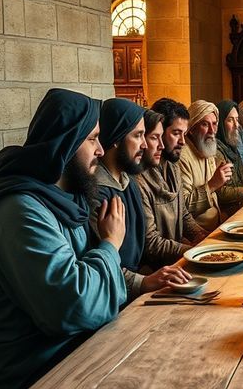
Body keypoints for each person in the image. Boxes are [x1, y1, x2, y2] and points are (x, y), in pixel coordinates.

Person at [0, 89, 128, 389]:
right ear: (65, 143)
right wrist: (111, 244)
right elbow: (72, 305)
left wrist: (144, 283)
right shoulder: (20, 211)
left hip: (63, 358)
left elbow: (82, 269)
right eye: (92, 139)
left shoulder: (62, 198)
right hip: (22, 382)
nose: (100, 150)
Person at [91, 99, 191, 299]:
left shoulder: (128, 181)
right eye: (139, 136)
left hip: (137, 282)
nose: (146, 145)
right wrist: (143, 281)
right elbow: (101, 265)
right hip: (117, 294)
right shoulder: (98, 192)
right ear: (117, 137)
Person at [137, 104, 208, 268]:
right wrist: (192, 251)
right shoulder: (140, 178)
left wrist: (202, 236)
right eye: (176, 133)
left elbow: (183, 214)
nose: (183, 141)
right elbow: (151, 242)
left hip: (177, 259)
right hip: (157, 269)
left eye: (184, 133)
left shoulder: (173, 167)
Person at [178, 100, 232, 231]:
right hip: (197, 233)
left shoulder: (207, 148)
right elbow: (183, 206)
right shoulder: (182, 156)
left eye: (214, 124)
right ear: (191, 129)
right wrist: (213, 184)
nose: (212, 130)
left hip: (217, 226)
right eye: (205, 124)